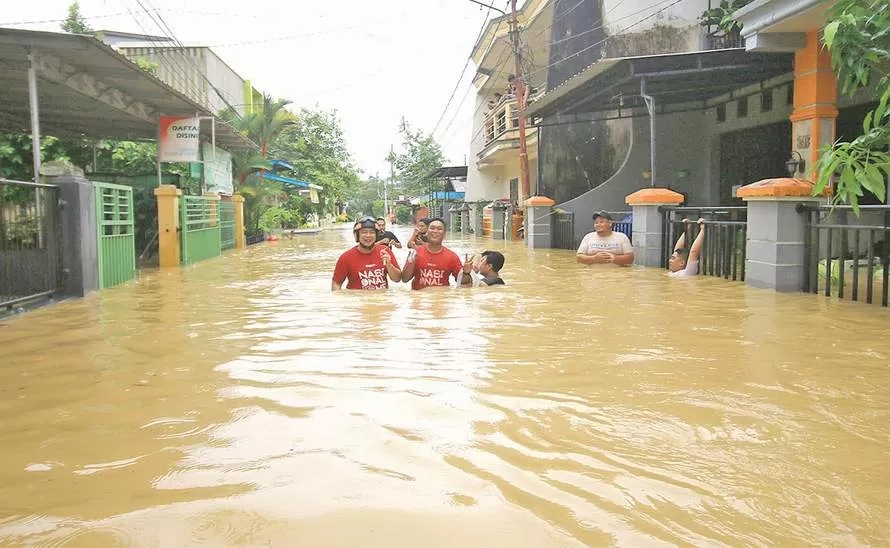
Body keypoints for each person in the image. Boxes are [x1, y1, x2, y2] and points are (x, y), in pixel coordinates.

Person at [332, 216, 401, 290]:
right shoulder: (346, 257)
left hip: (381, 300)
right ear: (357, 236)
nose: (368, 235)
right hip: (357, 300)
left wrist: (389, 265)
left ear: (376, 235)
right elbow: (336, 284)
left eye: (372, 232)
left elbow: (397, 279)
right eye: (364, 232)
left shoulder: (385, 252)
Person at [401, 218, 472, 289]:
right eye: (432, 228)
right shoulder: (415, 253)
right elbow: (404, 279)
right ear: (427, 232)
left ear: (444, 235)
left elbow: (462, 282)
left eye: (439, 229)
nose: (435, 231)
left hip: (441, 298)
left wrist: (466, 273)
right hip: (419, 298)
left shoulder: (452, 256)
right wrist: (411, 264)